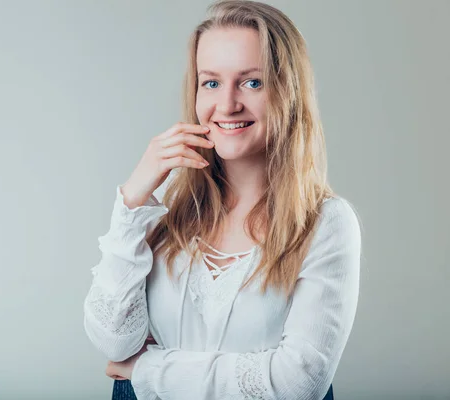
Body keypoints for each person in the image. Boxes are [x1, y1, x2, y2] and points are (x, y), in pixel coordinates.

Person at [83, 0, 362, 399]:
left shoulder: (326, 223)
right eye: (211, 82)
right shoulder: (163, 210)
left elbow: (298, 384)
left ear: (289, 92)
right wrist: (132, 197)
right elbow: (114, 344)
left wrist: (148, 369)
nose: (227, 104)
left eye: (252, 82)